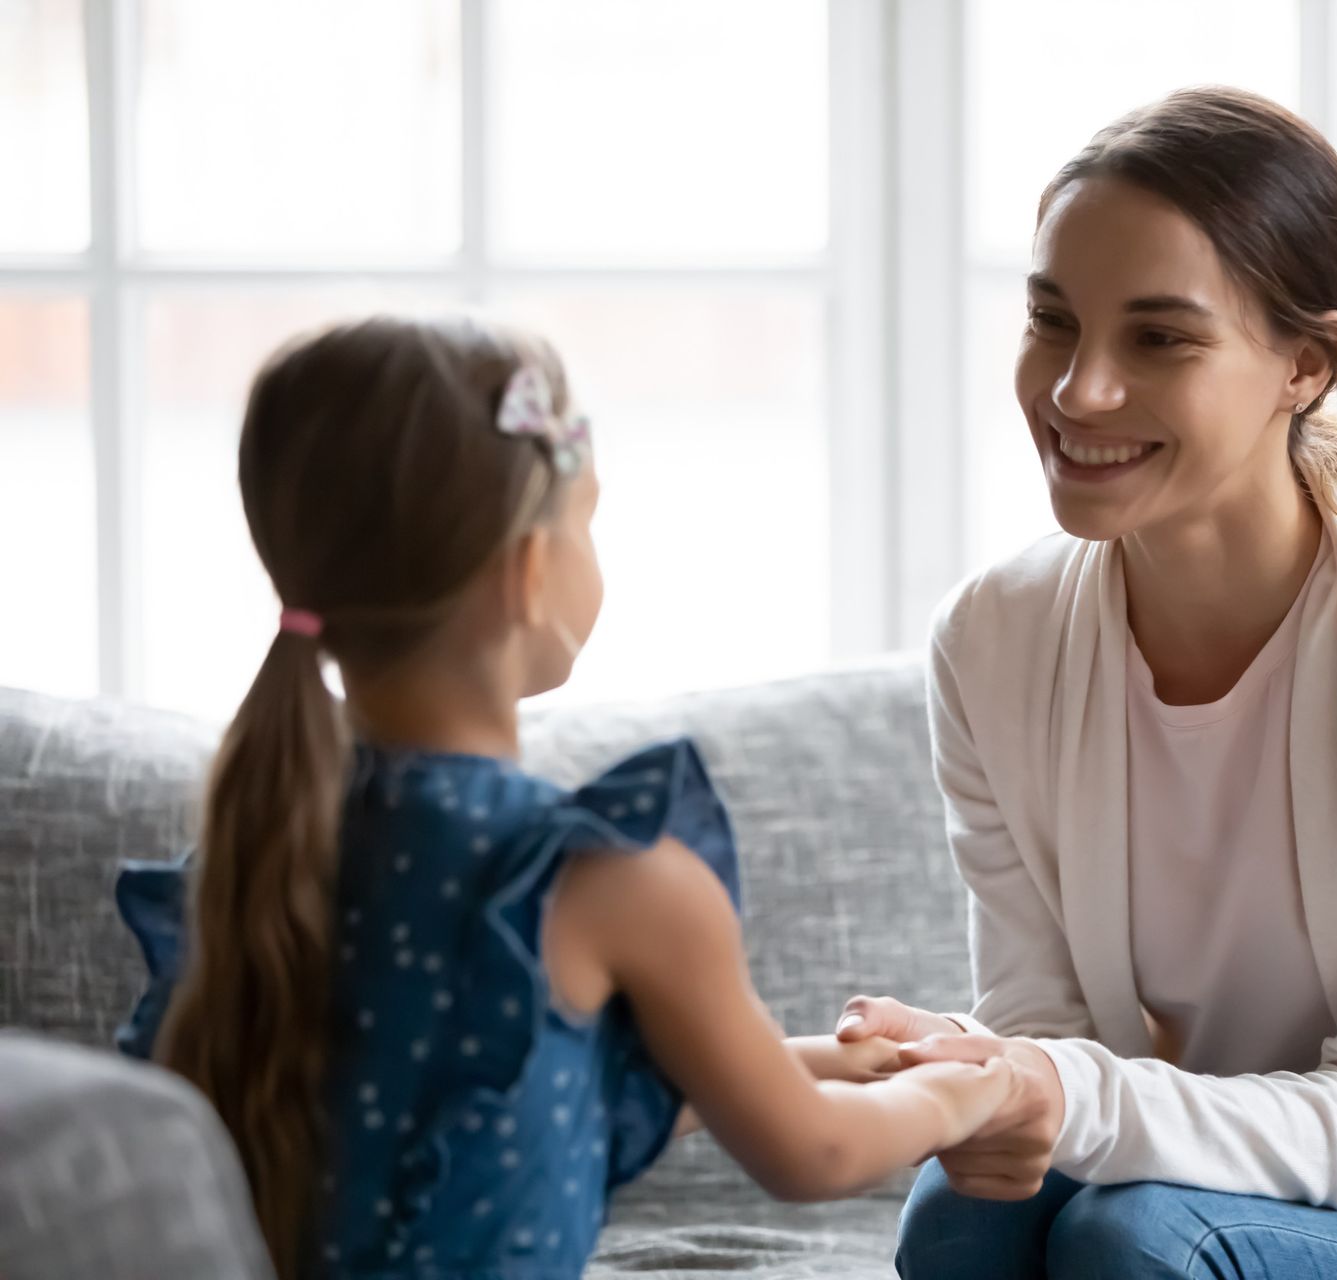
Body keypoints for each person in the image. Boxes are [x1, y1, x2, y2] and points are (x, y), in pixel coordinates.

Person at [838, 88, 1337, 1279]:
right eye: (1052, 320)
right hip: (1166, 1184)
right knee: (961, 1213)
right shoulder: (992, 639)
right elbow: (1047, 1040)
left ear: (1305, 365)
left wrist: (1045, 1085)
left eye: (1158, 337)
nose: (1077, 391)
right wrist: (976, 1074)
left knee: (1136, 1241)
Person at [115, 315, 1013, 1280]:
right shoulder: (607, 877)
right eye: (586, 517)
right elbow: (816, 1152)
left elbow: (510, 1091)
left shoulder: (259, 857)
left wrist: (829, 1060)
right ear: (531, 573)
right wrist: (971, 1097)